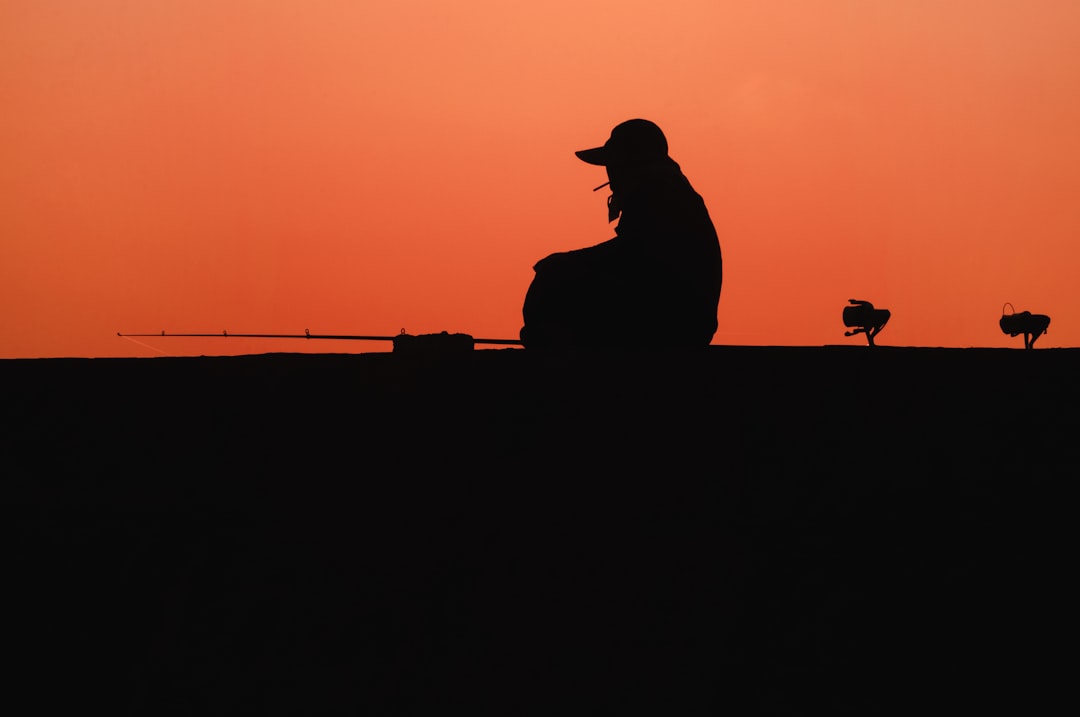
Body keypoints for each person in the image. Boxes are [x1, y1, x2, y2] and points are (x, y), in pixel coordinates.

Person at [520, 119, 722, 349]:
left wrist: (564, 262)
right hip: (679, 316)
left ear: (632, 165)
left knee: (555, 274)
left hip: (674, 321)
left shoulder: (661, 194)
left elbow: (634, 255)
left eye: (614, 165)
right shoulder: (666, 189)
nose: (611, 174)